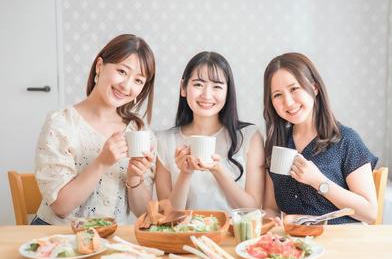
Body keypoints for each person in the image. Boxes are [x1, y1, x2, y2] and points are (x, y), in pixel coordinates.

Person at [32, 34, 156, 225]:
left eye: (138, 80)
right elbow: (61, 207)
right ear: (99, 66)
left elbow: (142, 213)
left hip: (109, 242)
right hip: (57, 239)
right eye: (122, 71)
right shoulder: (61, 123)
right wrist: (101, 163)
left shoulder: (139, 131)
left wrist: (134, 177)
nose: (127, 85)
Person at [263, 53, 378, 224]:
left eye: (294, 89)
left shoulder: (346, 140)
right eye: (277, 95)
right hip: (293, 246)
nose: (288, 101)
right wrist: (274, 220)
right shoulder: (277, 144)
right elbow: (271, 207)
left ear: (314, 88)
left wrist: (318, 181)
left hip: (341, 243)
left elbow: (370, 213)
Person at [155, 51, 265, 213]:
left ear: (228, 93)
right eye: (198, 84)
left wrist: (217, 169)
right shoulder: (165, 141)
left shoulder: (249, 136)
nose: (207, 95)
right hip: (185, 236)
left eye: (217, 86)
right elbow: (169, 215)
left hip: (235, 237)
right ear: (183, 88)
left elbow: (252, 209)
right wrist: (185, 174)